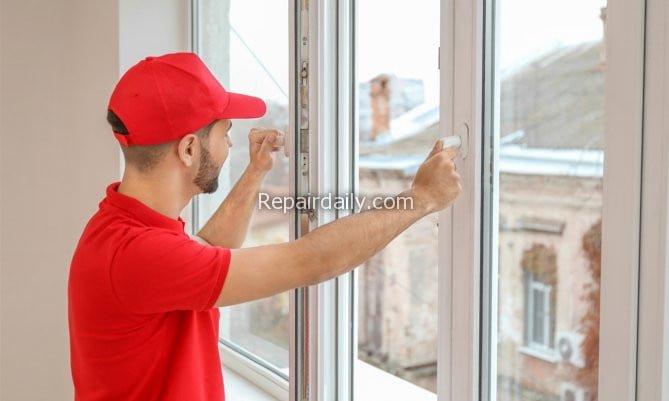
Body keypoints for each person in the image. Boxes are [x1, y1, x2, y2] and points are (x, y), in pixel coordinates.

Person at [67, 52, 461, 401]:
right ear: (188, 149)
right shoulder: (139, 254)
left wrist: (255, 172)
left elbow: (204, 254)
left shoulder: (121, 227)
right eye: (225, 133)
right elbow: (309, 262)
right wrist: (420, 199)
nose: (231, 146)